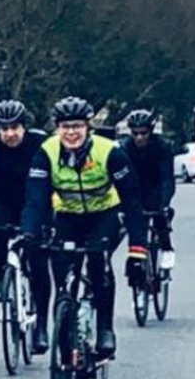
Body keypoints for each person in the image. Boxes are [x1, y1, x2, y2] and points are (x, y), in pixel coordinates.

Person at [21, 97, 147, 360]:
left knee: (98, 261)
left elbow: (133, 203)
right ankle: (65, 347)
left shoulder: (109, 152)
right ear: (57, 128)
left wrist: (137, 250)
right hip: (68, 216)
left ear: (89, 127)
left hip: (105, 214)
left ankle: (105, 328)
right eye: (65, 127)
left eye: (77, 126)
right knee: (62, 277)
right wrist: (30, 234)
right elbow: (35, 200)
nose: (71, 132)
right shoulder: (46, 152)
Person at [0, 101, 45, 351]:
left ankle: (40, 325)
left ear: (24, 127)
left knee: (38, 261)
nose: (9, 134)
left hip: (34, 201)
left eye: (14, 128)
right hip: (4, 200)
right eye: (4, 129)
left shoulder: (39, 144)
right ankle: (1, 274)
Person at [118, 109, 177, 291]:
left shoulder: (162, 148)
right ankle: (137, 266)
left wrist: (164, 204)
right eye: (135, 133)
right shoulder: (124, 149)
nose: (139, 137)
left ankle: (166, 248)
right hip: (134, 188)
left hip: (156, 186)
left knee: (161, 215)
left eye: (143, 133)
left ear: (151, 132)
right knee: (134, 222)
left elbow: (167, 179)